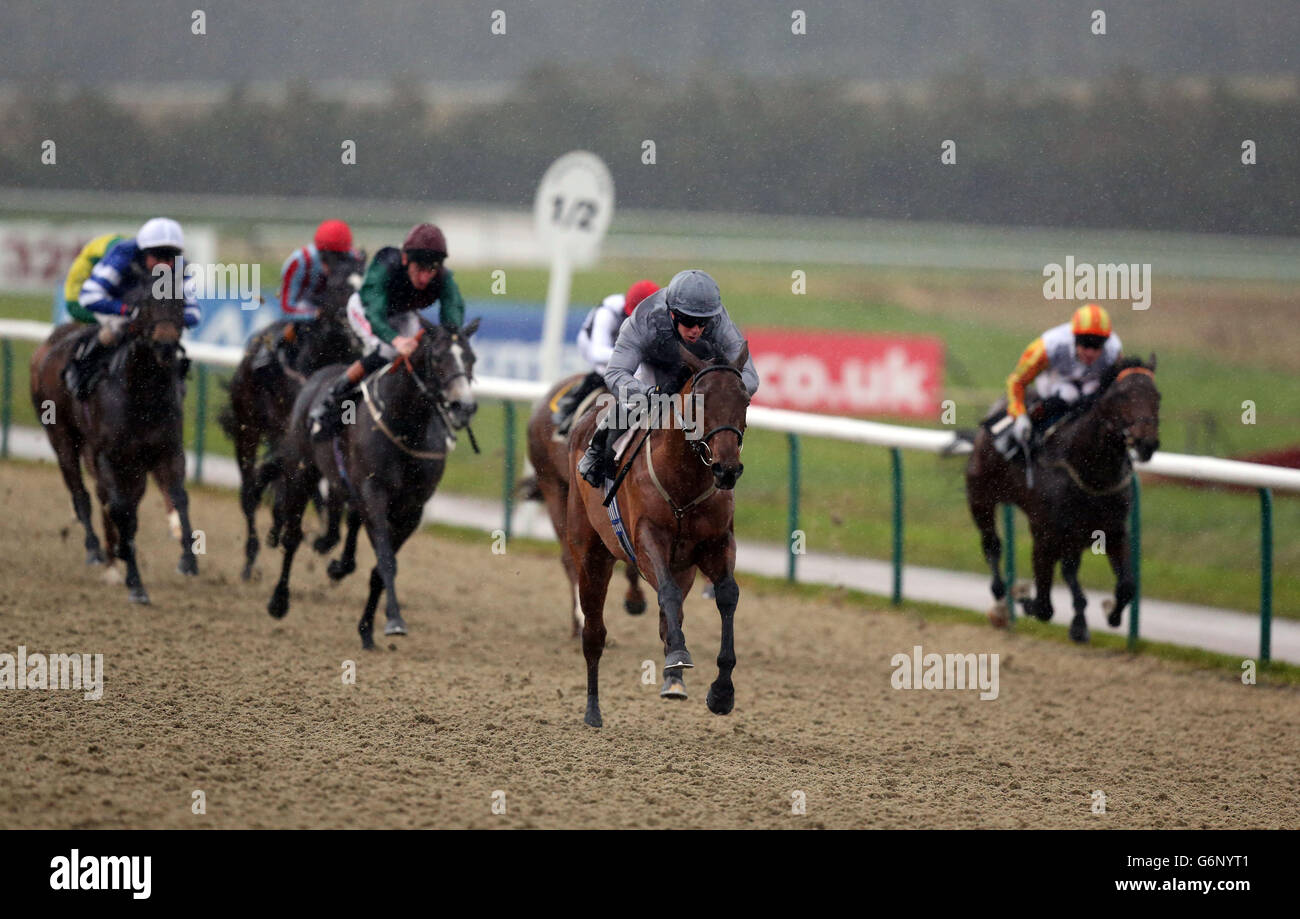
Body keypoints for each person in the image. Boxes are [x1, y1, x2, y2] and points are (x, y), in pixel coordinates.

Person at [578, 269, 759, 487]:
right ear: (672, 313)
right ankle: (597, 450)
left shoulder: (719, 322)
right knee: (633, 402)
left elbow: (750, 377)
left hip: (699, 368)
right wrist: (650, 393)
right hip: (652, 363)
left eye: (703, 322)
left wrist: (724, 393)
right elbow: (615, 374)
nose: (696, 330)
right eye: (689, 321)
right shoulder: (642, 321)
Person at [309, 222, 466, 439]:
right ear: (405, 260)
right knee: (387, 351)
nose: (424, 278)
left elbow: (453, 308)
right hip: (366, 309)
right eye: (419, 269)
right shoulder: (387, 263)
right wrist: (394, 340)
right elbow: (375, 314)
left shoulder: (442, 276)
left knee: (419, 359)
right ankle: (331, 402)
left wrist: (452, 335)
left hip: (403, 313)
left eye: (431, 270)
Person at [64, 218, 201, 399]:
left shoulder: (180, 266)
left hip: (144, 304)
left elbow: (194, 312)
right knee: (113, 332)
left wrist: (172, 321)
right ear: (144, 253)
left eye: (169, 257)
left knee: (163, 335)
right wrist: (127, 311)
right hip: (101, 298)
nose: (164, 265)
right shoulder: (122, 255)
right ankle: (81, 373)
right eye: (158, 256)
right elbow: (90, 296)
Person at [996, 303, 1123, 458]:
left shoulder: (1114, 350)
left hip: (1090, 383)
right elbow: (1016, 381)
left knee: (1094, 399)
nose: (1090, 352)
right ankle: (1026, 437)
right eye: (1085, 342)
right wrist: (1020, 416)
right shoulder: (1048, 345)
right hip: (1054, 381)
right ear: (1074, 336)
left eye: (1097, 345)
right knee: (1069, 394)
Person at [250, 219, 356, 378]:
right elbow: (287, 307)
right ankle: (269, 351)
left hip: (333, 305)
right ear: (320, 254)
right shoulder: (298, 262)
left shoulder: (354, 258)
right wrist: (316, 313)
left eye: (339, 259)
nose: (333, 266)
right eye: (328, 259)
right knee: (301, 327)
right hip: (306, 304)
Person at [551, 279, 660, 432]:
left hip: (625, 347)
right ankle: (569, 407)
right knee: (606, 371)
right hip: (593, 345)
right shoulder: (608, 312)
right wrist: (632, 357)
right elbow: (598, 352)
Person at [62, 231, 127, 324]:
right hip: (79, 304)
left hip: (103, 297)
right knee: (117, 324)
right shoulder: (84, 266)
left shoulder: (125, 248)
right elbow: (73, 306)